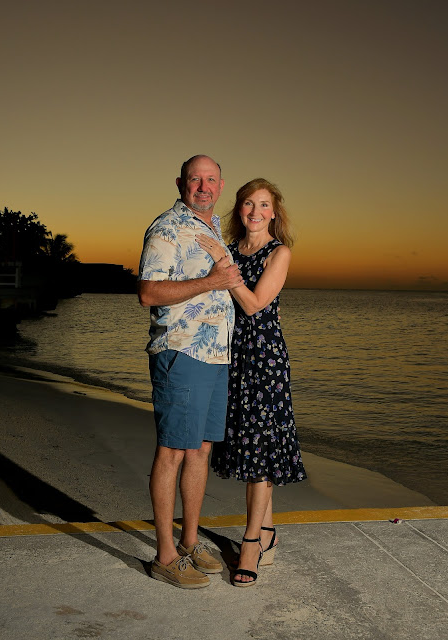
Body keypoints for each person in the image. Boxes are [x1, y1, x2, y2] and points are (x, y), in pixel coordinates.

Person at [137, 155, 243, 589]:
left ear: (221, 185)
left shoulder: (213, 227)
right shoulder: (167, 227)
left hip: (216, 356)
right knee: (173, 451)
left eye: (211, 179)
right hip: (182, 353)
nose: (203, 186)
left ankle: (190, 541)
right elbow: (148, 292)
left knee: (200, 450)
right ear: (181, 183)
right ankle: (165, 555)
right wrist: (210, 283)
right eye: (196, 179)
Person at [196, 178, 306, 587]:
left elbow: (257, 304)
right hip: (230, 354)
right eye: (247, 204)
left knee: (260, 449)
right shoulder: (229, 250)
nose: (255, 212)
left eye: (263, 205)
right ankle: (270, 533)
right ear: (238, 209)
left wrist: (223, 268)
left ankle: (251, 543)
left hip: (263, 358)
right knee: (249, 443)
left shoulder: (280, 252)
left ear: (274, 213)